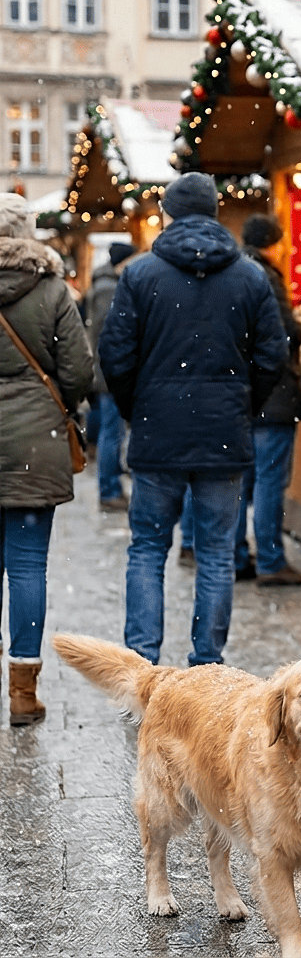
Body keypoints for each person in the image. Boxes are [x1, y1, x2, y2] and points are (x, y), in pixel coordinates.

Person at [98, 172, 287, 667]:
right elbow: (272, 356)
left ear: (169, 213)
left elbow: (115, 356)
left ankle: (141, 663)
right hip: (223, 433)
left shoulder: (139, 275)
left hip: (158, 431)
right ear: (216, 211)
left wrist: (136, 408)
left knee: (147, 548)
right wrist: (240, 404)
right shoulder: (247, 275)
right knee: (217, 553)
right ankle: (207, 663)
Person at [0, 193, 93, 723]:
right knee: (28, 565)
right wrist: (55, 399)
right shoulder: (52, 288)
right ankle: (22, 693)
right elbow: (79, 370)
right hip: (36, 444)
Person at [234, 214, 301, 586]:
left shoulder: (238, 271)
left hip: (246, 394)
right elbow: (284, 333)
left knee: (244, 481)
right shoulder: (266, 275)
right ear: (272, 243)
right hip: (273, 395)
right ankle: (270, 560)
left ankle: (235, 556)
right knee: (269, 481)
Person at [84, 241, 135, 512]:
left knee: (111, 431)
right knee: (111, 433)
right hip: (109, 374)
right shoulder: (108, 289)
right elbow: (109, 335)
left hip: (106, 372)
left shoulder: (105, 284)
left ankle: (111, 488)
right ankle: (109, 490)